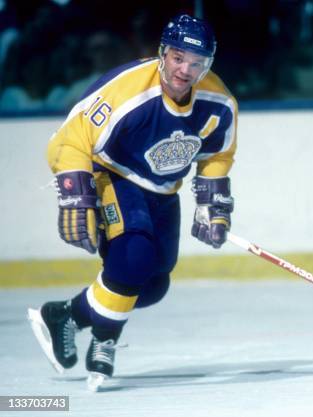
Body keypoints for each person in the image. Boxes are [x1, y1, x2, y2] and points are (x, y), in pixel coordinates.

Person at [27, 14, 237, 391]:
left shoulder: (218, 102)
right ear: (162, 53)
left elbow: (218, 154)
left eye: (196, 62)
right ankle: (105, 341)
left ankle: (65, 316)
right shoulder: (127, 90)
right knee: (134, 256)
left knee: (153, 285)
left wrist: (212, 204)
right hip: (114, 174)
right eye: (177, 57)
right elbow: (68, 140)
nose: (185, 69)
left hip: (163, 191)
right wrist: (76, 196)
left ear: (208, 64)